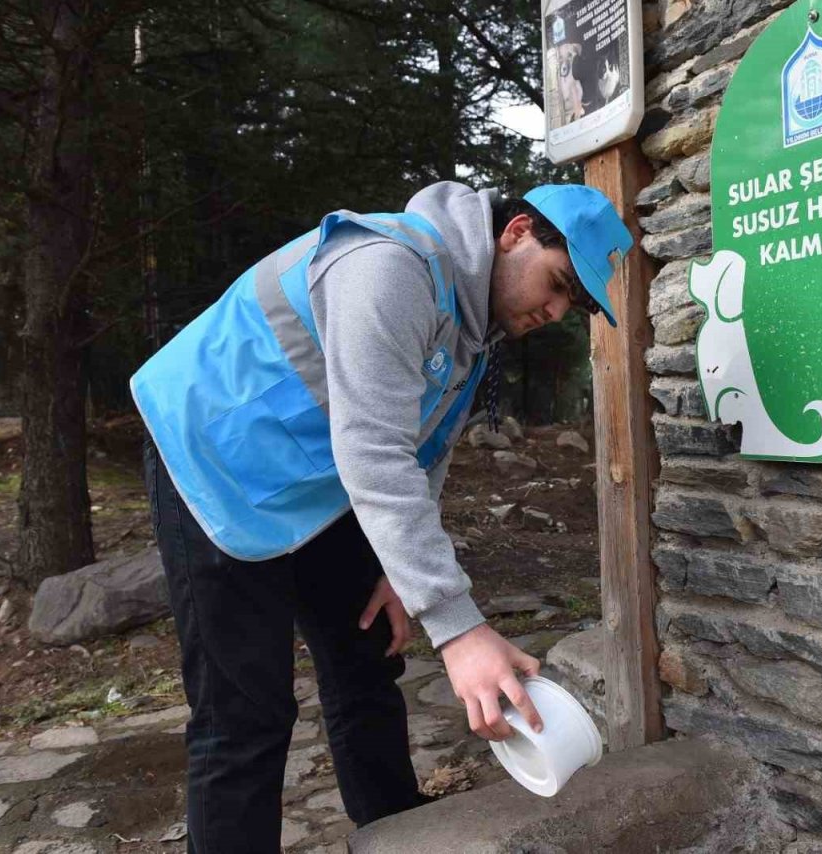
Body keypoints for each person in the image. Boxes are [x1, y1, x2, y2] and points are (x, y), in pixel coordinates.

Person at [130, 181, 634, 853]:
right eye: (559, 283)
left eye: (573, 302)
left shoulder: (470, 325)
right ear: (515, 233)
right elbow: (373, 448)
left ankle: (397, 834)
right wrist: (460, 632)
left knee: (365, 659)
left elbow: (424, 446)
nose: (556, 309)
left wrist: (399, 574)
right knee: (245, 714)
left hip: (318, 473)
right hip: (216, 458)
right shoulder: (390, 267)